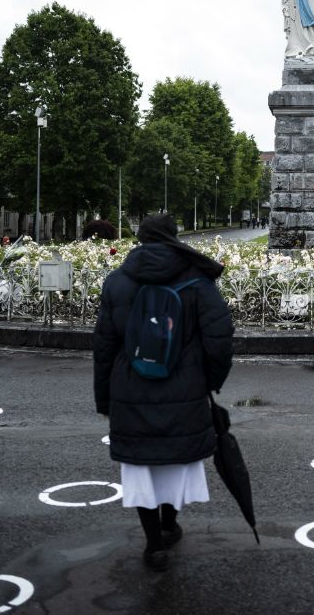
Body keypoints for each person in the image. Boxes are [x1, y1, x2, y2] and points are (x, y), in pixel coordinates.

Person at [94, 214, 234, 572]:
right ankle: (170, 524)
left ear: (140, 238)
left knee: (140, 466)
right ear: (173, 236)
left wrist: (104, 397)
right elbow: (219, 339)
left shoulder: (117, 281)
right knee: (176, 458)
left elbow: (105, 346)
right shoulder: (197, 279)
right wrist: (210, 381)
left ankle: (153, 544)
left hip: (130, 385)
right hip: (184, 384)